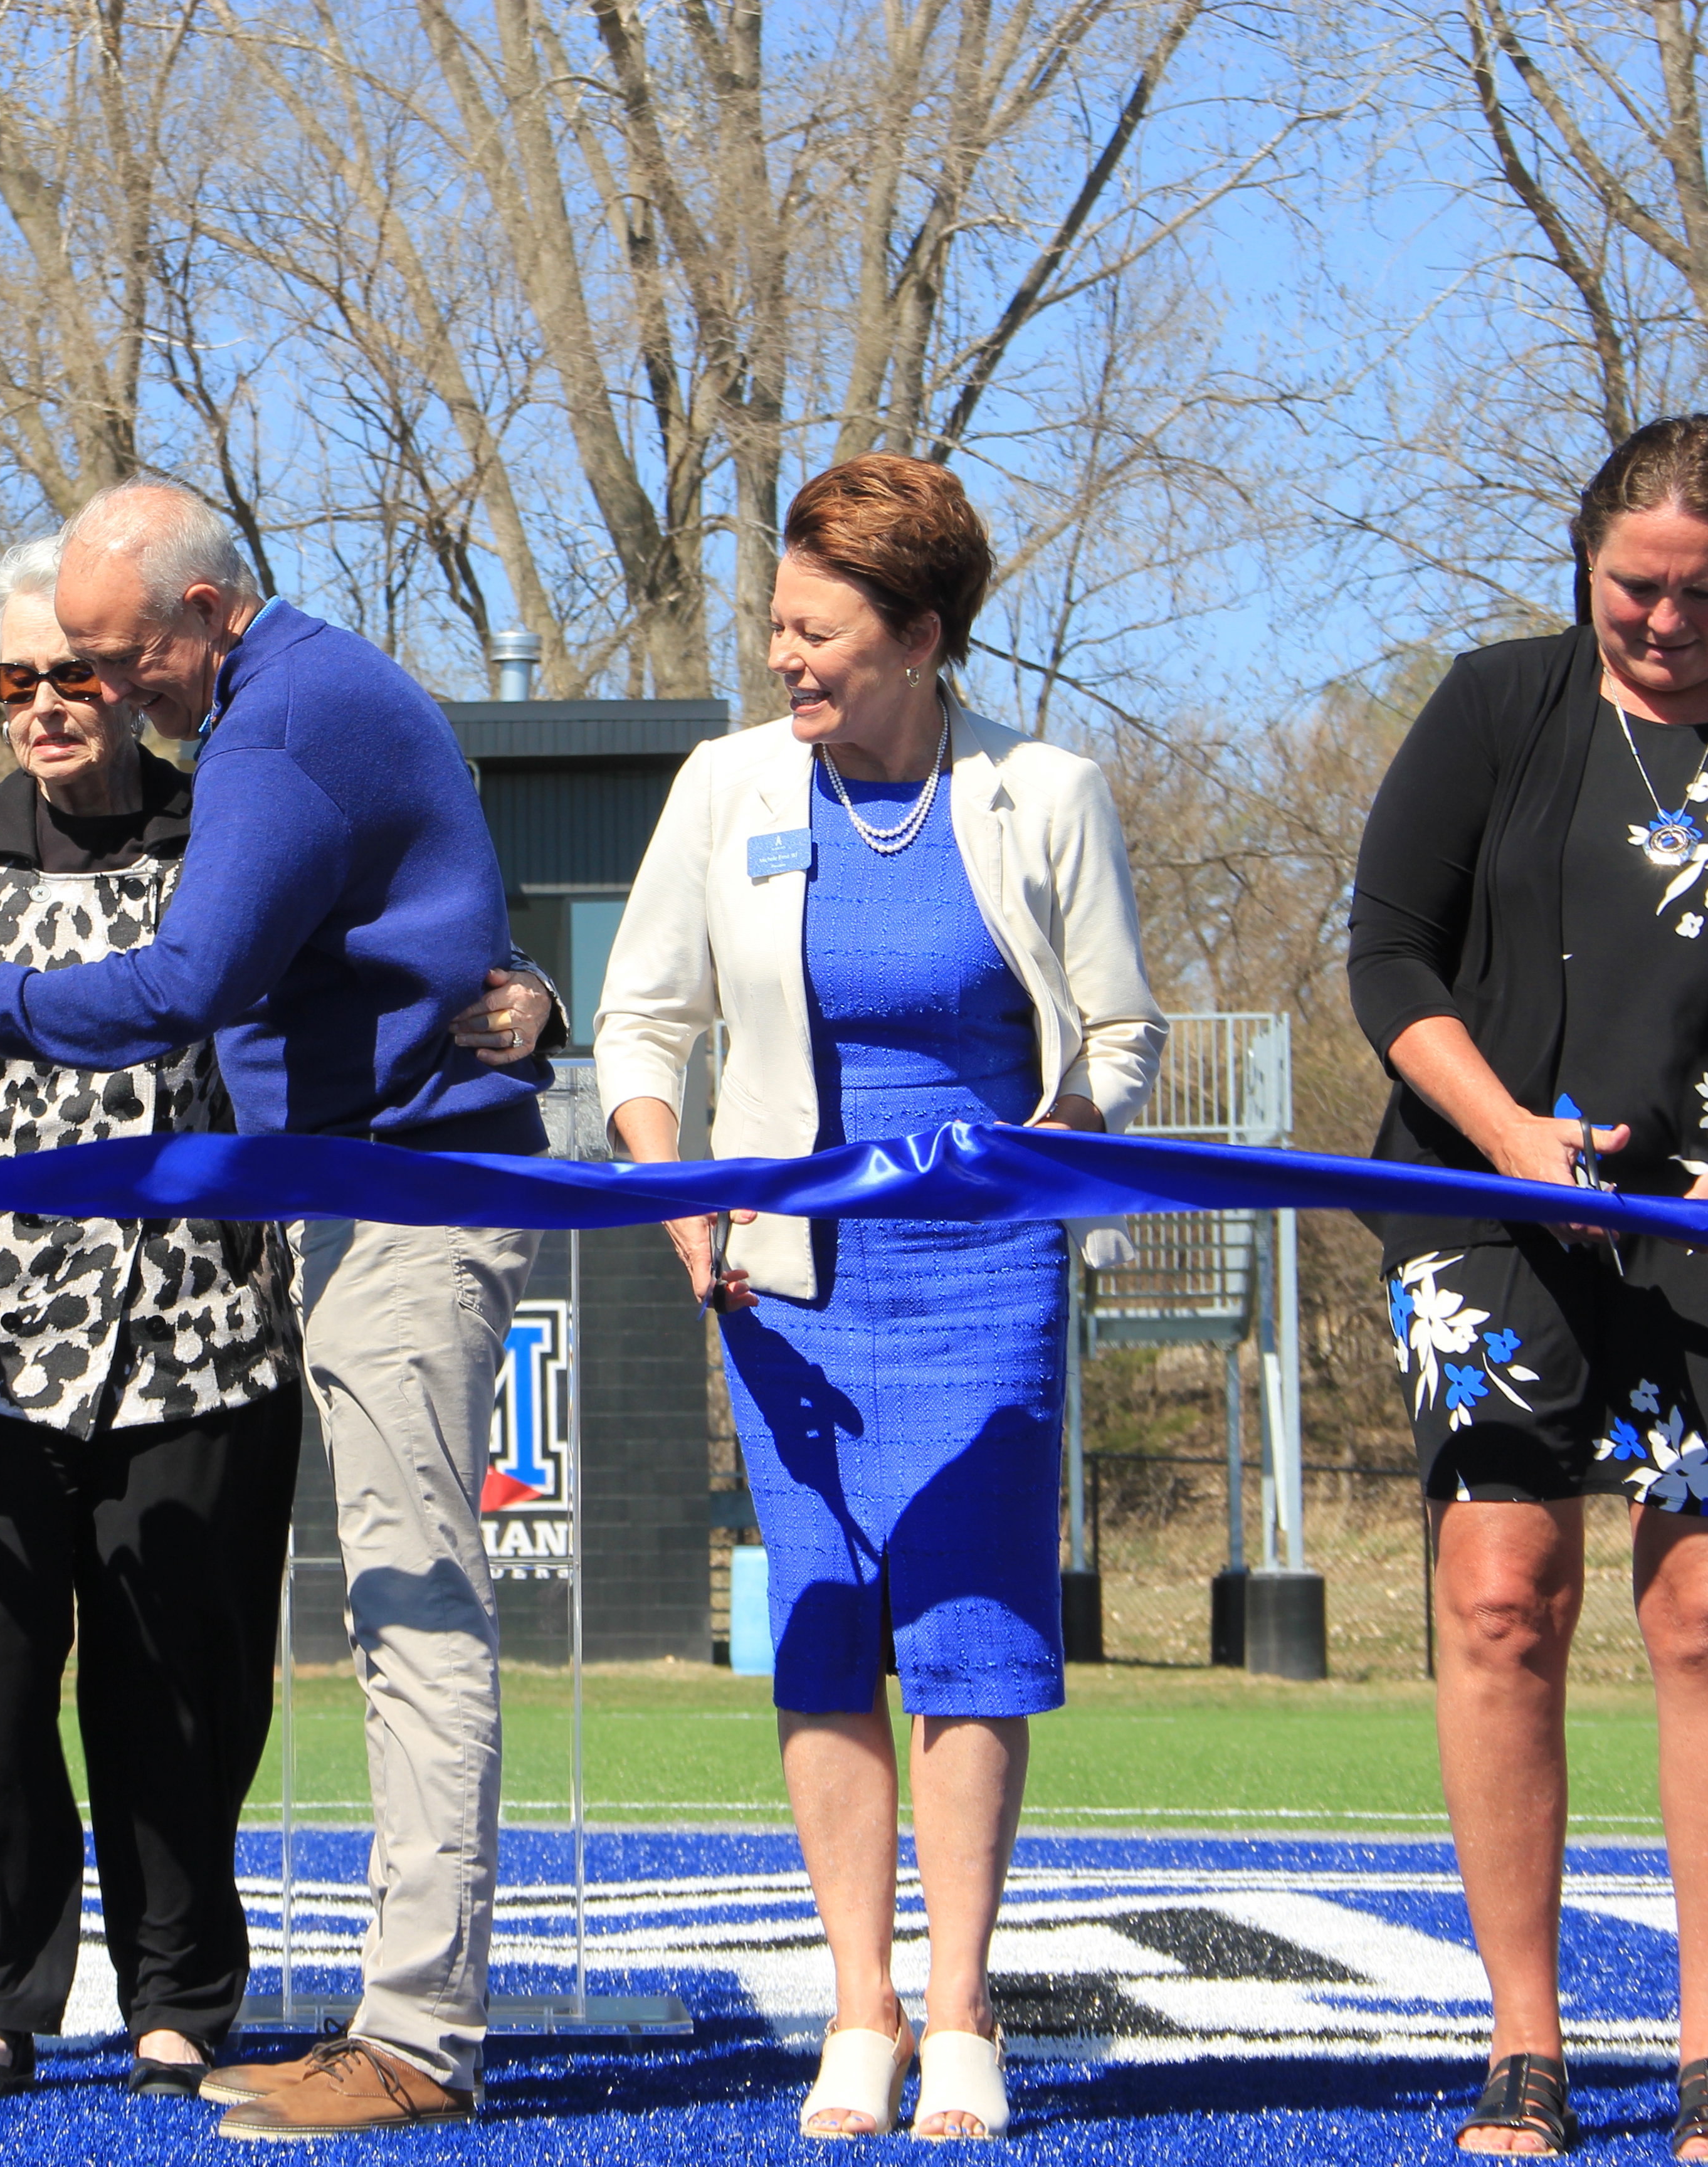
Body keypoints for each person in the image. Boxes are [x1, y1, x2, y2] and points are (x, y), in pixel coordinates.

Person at [0, 476, 565, 2139]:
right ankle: (402, 2016)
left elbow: (186, 983)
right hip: (353, 1198)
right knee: (388, 1619)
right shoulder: (298, 696)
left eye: (113, 659)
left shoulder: (276, 727)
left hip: (407, 1200)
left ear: (204, 611)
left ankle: (419, 2039)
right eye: (58, 666)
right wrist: (516, 986)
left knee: (416, 1621)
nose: (98, 691)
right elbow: (422, 914)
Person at [594, 454, 1162, 2141]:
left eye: (819, 632)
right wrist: (678, 1196)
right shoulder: (726, 785)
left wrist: (1056, 1139)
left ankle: (965, 2009)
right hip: (787, 1280)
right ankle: (863, 2008)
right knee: (828, 1626)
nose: (786, 656)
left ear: (919, 638)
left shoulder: (1044, 792)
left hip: (985, 1275)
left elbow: (1120, 1031)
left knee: (971, 1638)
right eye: (778, 625)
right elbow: (644, 1023)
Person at [0, 533, 308, 2103]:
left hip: (200, 1338)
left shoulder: (225, 832)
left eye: (71, 677)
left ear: (131, 675)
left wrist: (509, 1003)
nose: (41, 708)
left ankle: (178, 1996)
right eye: (11, 683)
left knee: (176, 1680)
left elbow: (351, 982)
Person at [1346, 414, 1708, 2162]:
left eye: (1702, 595)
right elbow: (1388, 955)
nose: (1667, 621)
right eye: (1639, 587)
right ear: (1586, 567)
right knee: (1505, 1592)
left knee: (1703, 1614)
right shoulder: (1500, 704)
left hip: (1699, 1217)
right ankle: (1526, 2047)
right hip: (1484, 1198)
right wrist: (1506, 1137)